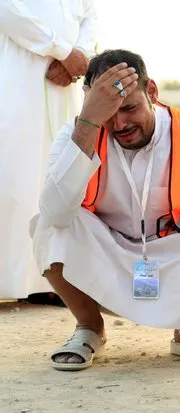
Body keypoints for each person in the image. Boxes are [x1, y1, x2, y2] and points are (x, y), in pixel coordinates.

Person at [30, 49, 180, 371]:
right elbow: (56, 212)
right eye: (109, 112)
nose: (120, 123)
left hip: (175, 255)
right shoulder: (78, 132)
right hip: (109, 255)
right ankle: (90, 327)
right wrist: (89, 122)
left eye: (129, 107)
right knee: (48, 222)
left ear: (152, 92)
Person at [0, 0, 98, 304]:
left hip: (65, 88)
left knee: (58, 175)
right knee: (16, 176)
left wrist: (77, 58)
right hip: (20, 81)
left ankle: (48, 280)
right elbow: (8, 11)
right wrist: (62, 51)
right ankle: (8, 281)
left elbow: (89, 19)